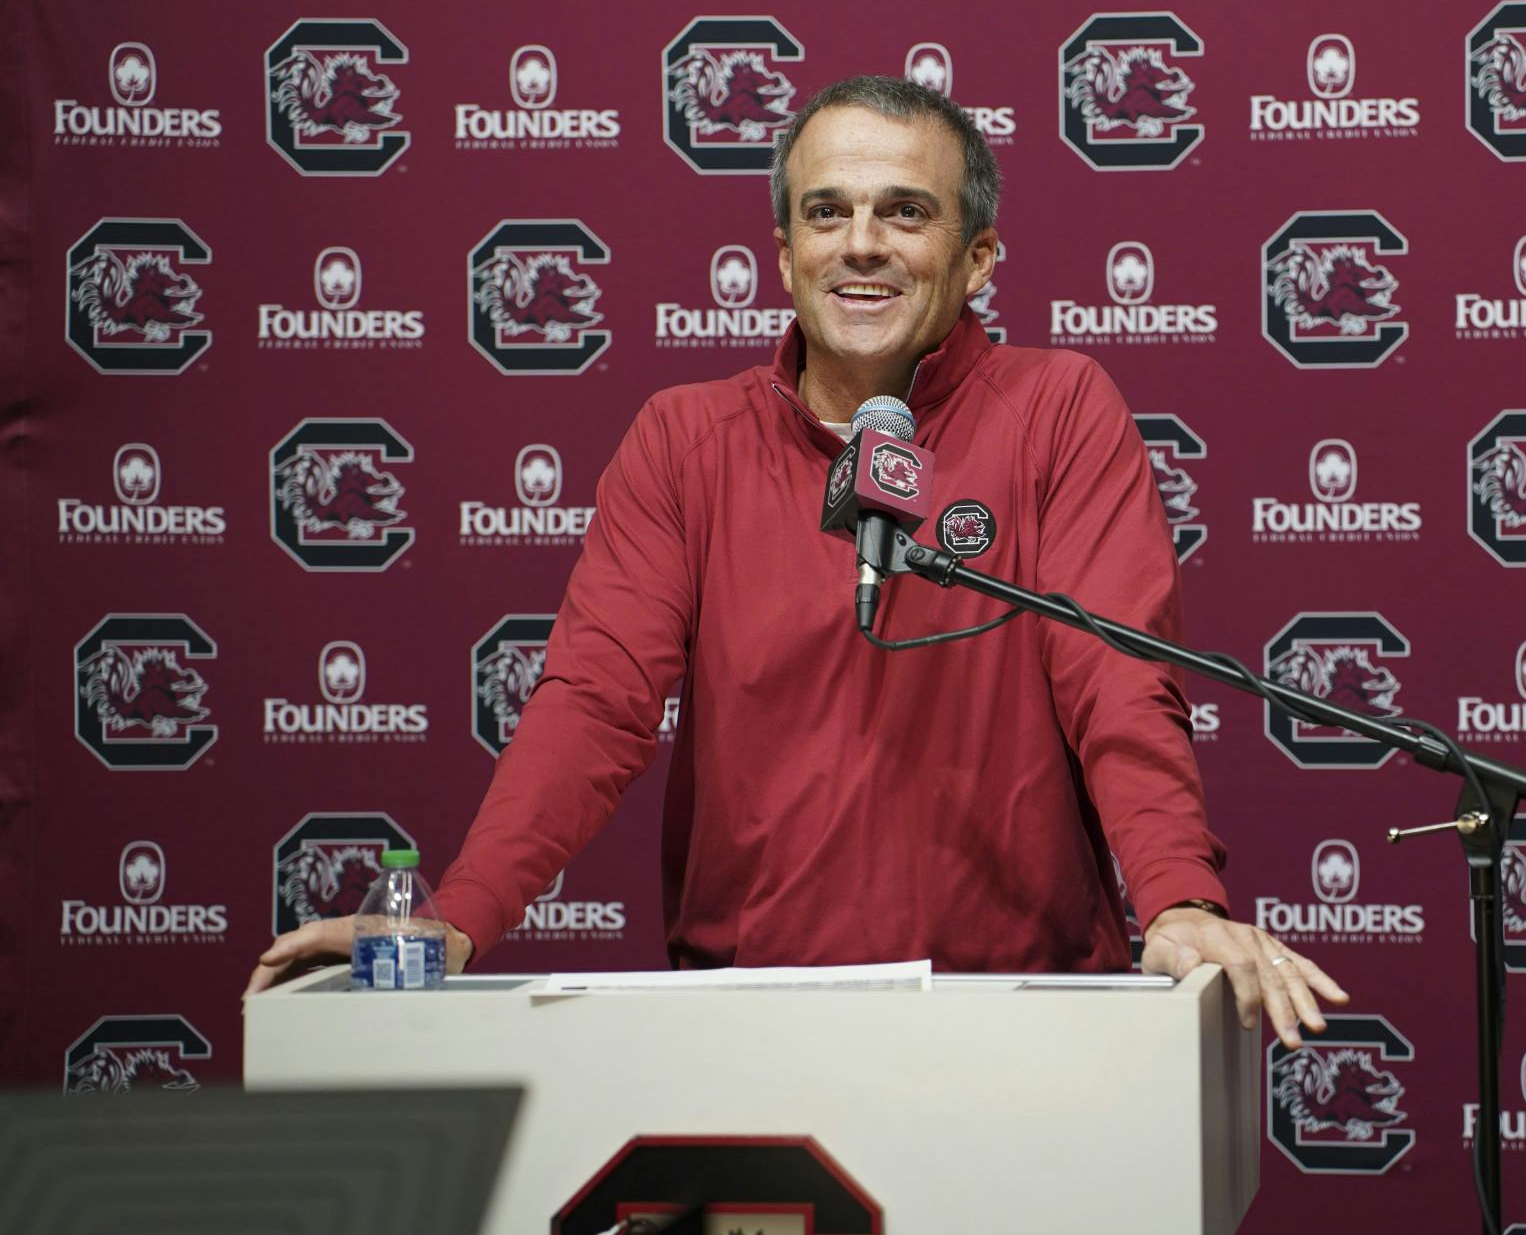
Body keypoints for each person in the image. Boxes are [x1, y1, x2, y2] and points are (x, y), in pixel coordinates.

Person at [247, 76, 1347, 1048]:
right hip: (748, 1021)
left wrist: (1175, 901)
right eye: (827, 212)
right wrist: (462, 913)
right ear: (782, 254)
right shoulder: (684, 440)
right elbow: (595, 700)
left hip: (1021, 1016)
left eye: (904, 213)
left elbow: (1115, 676)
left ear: (976, 257)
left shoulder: (1059, 412)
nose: (859, 243)